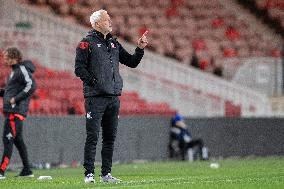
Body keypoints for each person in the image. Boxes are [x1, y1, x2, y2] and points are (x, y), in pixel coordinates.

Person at [74, 9, 148, 184]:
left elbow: (131, 62)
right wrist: (95, 82)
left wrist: (140, 49)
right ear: (97, 23)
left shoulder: (114, 43)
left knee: (109, 137)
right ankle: (89, 174)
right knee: (93, 136)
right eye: (107, 19)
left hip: (113, 97)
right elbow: (79, 69)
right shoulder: (86, 43)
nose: (110, 22)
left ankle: (106, 174)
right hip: (95, 98)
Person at [0, 47, 36, 179]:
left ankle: (1, 171)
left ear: (15, 57)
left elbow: (31, 85)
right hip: (13, 111)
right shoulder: (14, 71)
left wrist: (15, 99)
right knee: (18, 141)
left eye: (6, 56)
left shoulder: (21, 69)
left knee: (8, 139)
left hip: (15, 112)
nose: (4, 59)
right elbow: (10, 92)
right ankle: (27, 170)